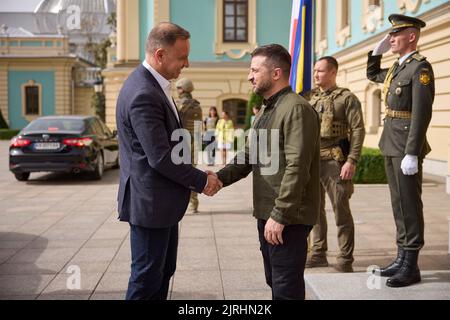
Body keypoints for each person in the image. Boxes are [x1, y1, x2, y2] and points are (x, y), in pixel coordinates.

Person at [115, 22, 222, 300]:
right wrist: (201, 180)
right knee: (146, 281)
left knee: (162, 273)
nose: (186, 64)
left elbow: (168, 147)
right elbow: (160, 157)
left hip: (161, 203)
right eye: (182, 57)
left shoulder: (154, 84)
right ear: (160, 55)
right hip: (151, 205)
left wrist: (195, 171)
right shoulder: (143, 93)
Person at [215, 44, 320, 300]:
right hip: (269, 212)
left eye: (254, 70)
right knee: (275, 280)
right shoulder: (267, 108)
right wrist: (217, 179)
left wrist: (281, 214)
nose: (250, 76)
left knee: (286, 287)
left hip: (288, 217)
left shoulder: (296, 109)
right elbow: (250, 155)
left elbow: (298, 167)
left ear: (275, 73)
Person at [366, 14, 434, 287]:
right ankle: (401, 258)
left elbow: (421, 113)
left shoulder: (420, 68)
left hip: (405, 145)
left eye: (396, 34)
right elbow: (373, 75)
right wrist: (375, 53)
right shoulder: (397, 68)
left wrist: (413, 152)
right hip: (390, 142)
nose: (390, 38)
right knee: (398, 204)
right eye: (390, 35)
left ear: (412, 36)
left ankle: (411, 266)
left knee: (409, 205)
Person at [303, 56, 365, 273]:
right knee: (315, 210)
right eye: (314, 71)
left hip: (335, 161)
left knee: (341, 210)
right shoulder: (309, 98)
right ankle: (319, 253)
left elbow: (358, 130)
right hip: (312, 162)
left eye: (320, 71)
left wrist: (352, 160)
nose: (316, 74)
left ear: (332, 72)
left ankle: (345, 258)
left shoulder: (347, 98)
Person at [176, 77, 203, 214]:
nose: (177, 90)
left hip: (181, 142)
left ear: (182, 89)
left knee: (179, 172)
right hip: (194, 142)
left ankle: (179, 202)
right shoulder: (197, 105)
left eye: (178, 88)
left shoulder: (180, 104)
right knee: (192, 172)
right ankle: (194, 203)